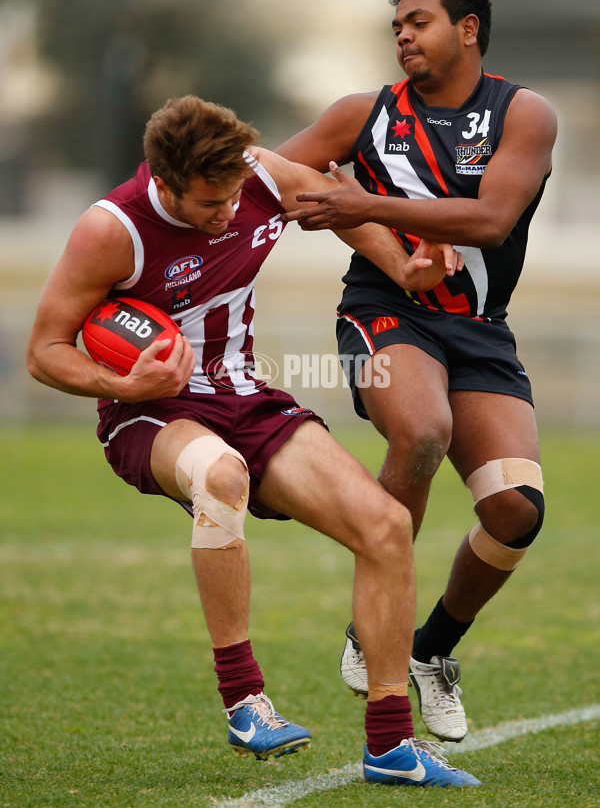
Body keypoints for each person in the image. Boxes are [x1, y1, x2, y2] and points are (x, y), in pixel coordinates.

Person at [27, 94, 479, 787]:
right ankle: (245, 700)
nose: (230, 211)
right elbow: (44, 350)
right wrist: (127, 384)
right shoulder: (112, 229)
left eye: (235, 192)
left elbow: (336, 205)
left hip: (246, 398)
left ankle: (391, 747)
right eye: (210, 203)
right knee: (221, 475)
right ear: (164, 182)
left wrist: (402, 267)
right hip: (149, 413)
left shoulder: (260, 177)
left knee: (386, 526)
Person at [277, 0, 556, 743]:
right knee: (424, 429)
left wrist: (360, 201)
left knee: (515, 511)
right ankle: (376, 620)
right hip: (382, 313)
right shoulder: (362, 113)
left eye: (419, 20)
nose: (402, 33)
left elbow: (492, 219)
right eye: (396, 23)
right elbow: (274, 172)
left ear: (468, 28)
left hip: (479, 329)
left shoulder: (523, 113)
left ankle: (431, 651)